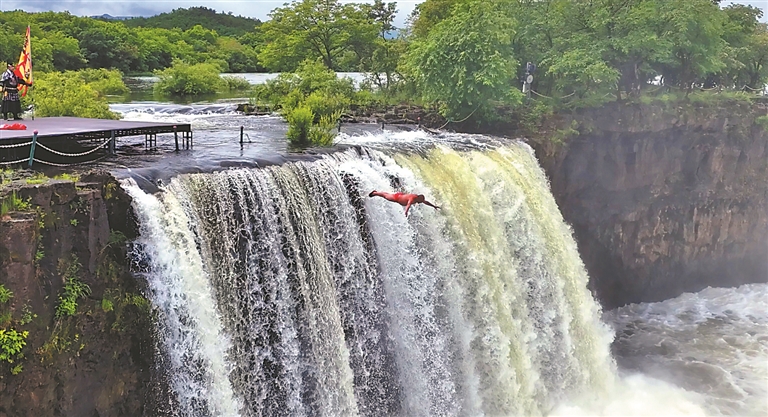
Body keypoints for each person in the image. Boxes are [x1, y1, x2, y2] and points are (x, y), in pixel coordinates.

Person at [368, 190, 440, 217]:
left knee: (387, 194)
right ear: (418, 198)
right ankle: (375, 193)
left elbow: (425, 202)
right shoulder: (412, 198)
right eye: (420, 201)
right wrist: (406, 212)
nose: (420, 203)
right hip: (397, 198)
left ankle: (378, 192)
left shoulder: (418, 199)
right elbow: (408, 204)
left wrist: (434, 206)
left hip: (401, 196)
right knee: (386, 196)